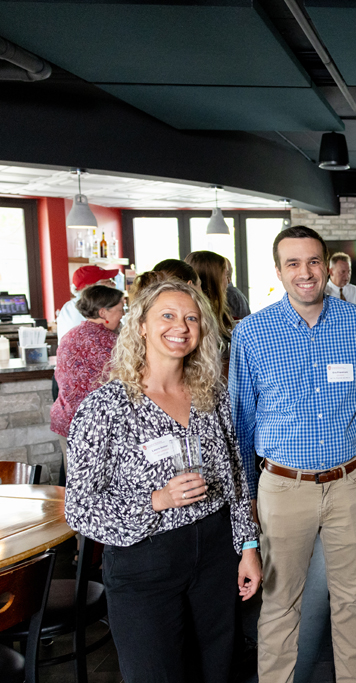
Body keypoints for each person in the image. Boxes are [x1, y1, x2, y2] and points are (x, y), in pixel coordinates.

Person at [64, 278, 261, 683]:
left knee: (216, 671)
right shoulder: (107, 406)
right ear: (140, 325)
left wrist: (248, 546)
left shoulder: (213, 395)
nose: (181, 326)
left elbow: (238, 477)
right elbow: (79, 508)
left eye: (191, 318)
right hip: (143, 561)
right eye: (167, 316)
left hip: (214, 552)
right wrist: (155, 500)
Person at [229, 225, 356, 683]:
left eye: (313, 261)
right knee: (278, 603)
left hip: (353, 481)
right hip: (282, 485)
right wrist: (250, 496)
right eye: (292, 263)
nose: (305, 272)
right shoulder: (251, 334)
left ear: (328, 265)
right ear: (278, 271)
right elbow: (242, 421)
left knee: (353, 601)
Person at [51, 284, 124, 462]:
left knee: (74, 483)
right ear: (103, 313)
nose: (122, 314)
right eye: (120, 309)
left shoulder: (69, 336)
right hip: (97, 428)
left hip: (67, 421)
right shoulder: (113, 343)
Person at [56, 265, 119, 342]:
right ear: (92, 287)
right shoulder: (93, 308)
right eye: (108, 282)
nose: (114, 285)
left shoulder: (68, 306)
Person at [185, 250, 234, 343]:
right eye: (225, 275)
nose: (228, 281)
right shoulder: (200, 316)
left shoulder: (217, 311)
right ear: (214, 279)